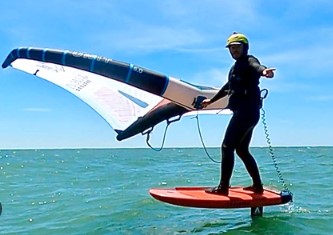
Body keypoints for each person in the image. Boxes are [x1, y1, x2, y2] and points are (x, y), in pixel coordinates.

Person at [200, 32, 275, 196]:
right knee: (241, 149)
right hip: (247, 113)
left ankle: (223, 187)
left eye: (237, 47)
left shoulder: (249, 61)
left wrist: (264, 72)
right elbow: (228, 87)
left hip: (246, 112)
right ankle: (257, 186)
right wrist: (211, 101)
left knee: (227, 147)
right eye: (231, 48)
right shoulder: (235, 68)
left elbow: (257, 67)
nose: (234, 51)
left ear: (245, 48)